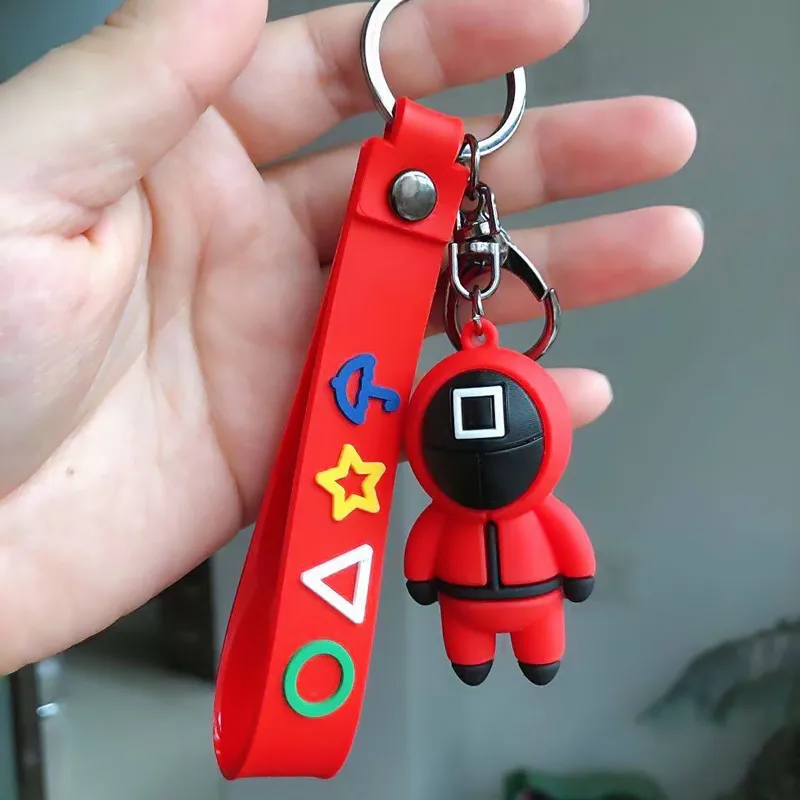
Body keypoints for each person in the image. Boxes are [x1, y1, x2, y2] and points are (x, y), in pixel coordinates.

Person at [0, 0, 703, 676]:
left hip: (518, 594)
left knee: (532, 645)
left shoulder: (518, 495)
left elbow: (547, 540)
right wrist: (460, 574)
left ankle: (530, 652)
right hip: (466, 596)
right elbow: (451, 544)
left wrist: (566, 571)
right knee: (469, 647)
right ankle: (481, 655)